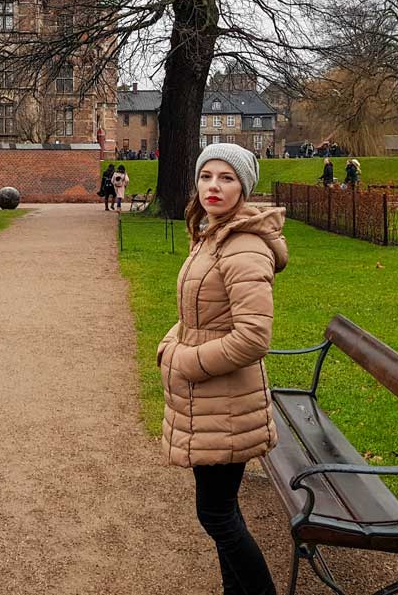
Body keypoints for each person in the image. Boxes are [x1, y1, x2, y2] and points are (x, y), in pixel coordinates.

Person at [156, 144, 285, 595]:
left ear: (244, 187)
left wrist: (186, 362)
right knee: (222, 511)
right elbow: (199, 314)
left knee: (216, 515)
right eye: (206, 175)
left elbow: (252, 338)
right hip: (209, 401)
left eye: (227, 178)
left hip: (223, 400)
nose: (214, 185)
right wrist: (171, 342)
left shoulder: (244, 247)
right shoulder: (213, 235)